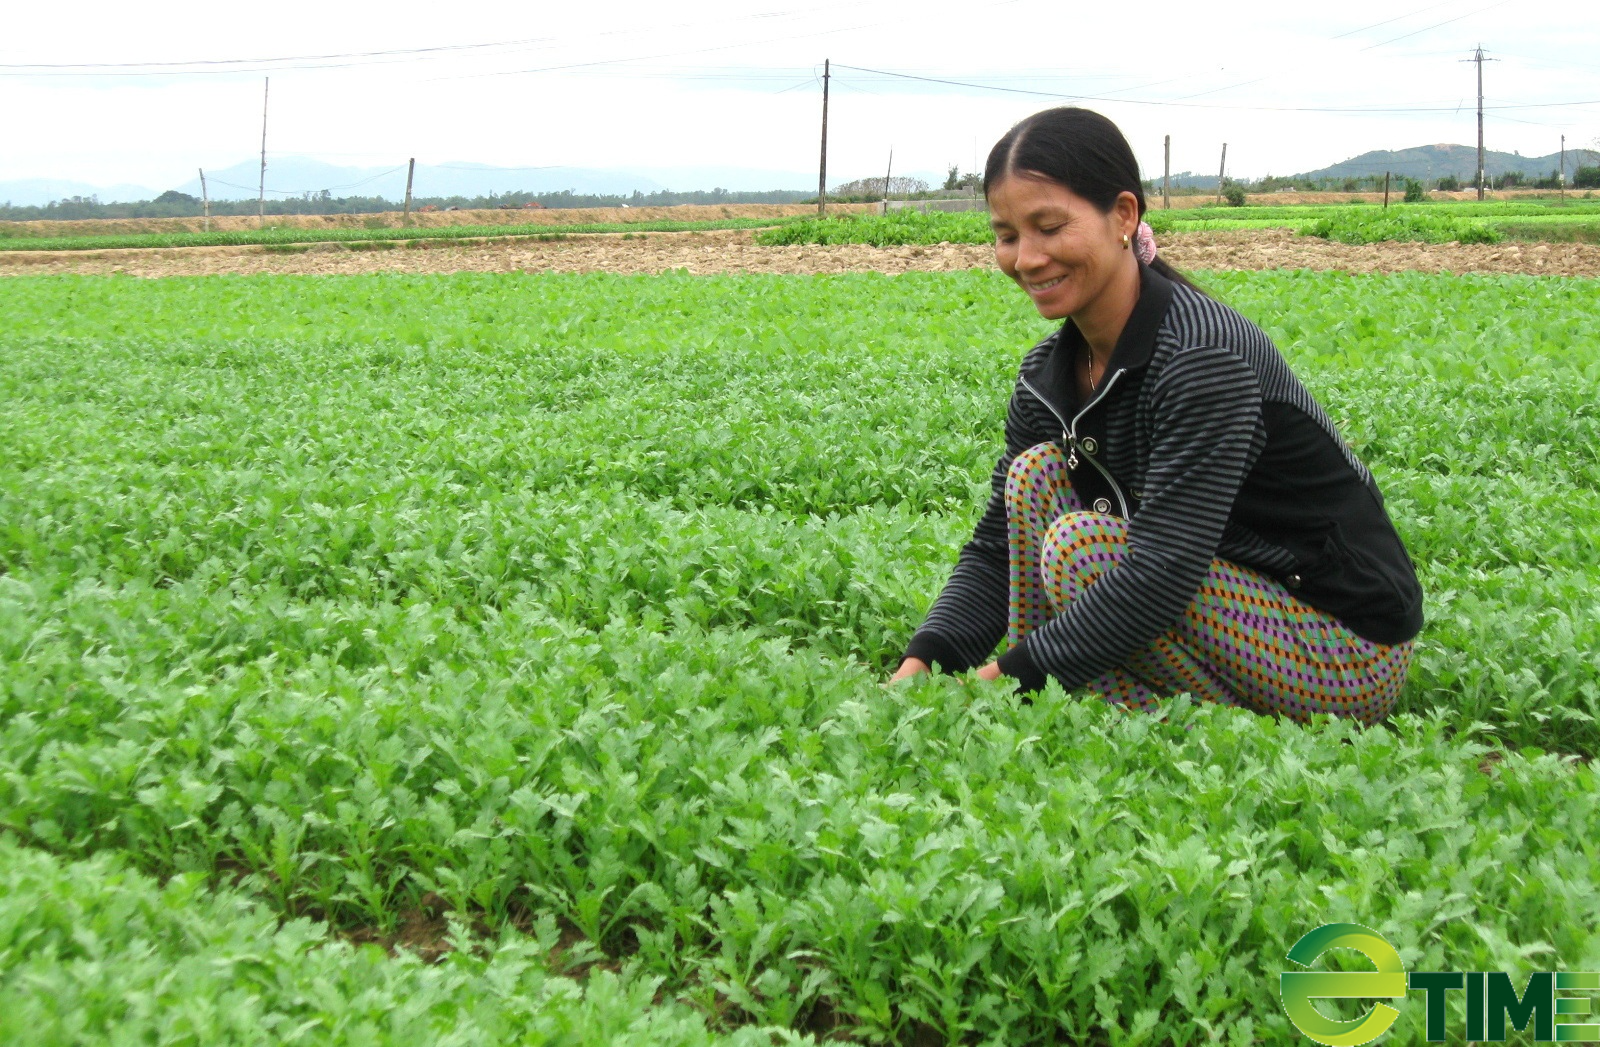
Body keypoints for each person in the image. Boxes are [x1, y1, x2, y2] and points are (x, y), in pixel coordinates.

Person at [890, 107, 1422, 724]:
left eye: (1050, 226)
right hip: (1224, 600)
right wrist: (924, 662)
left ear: (1123, 215)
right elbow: (996, 546)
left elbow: (1161, 570)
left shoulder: (1200, 354)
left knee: (1084, 549)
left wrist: (993, 684)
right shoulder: (1049, 373)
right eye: (1008, 235)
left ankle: (1057, 700)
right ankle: (1054, 702)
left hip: (1341, 646)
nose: (1027, 258)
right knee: (1034, 477)